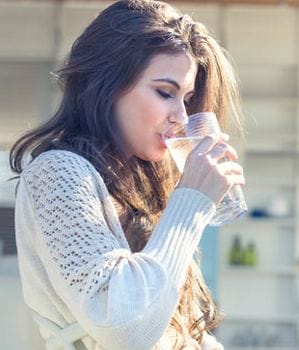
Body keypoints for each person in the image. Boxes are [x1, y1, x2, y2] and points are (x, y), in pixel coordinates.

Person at [9, 0, 245, 349]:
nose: (181, 116)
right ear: (109, 84)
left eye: (188, 98)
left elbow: (173, 328)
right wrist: (192, 201)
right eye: (165, 93)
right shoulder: (58, 171)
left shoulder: (142, 186)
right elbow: (123, 327)